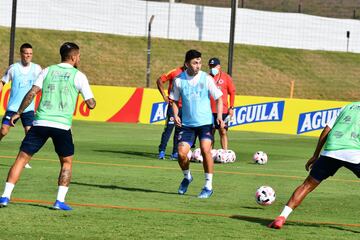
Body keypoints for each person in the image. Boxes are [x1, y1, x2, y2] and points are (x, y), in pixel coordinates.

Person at [0, 42, 96, 210]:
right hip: (62, 125)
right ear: (73, 57)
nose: (79, 58)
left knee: (21, 159)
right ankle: (59, 201)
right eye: (79, 56)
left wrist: (19, 112)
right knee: (66, 162)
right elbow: (91, 104)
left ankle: (5, 197)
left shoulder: (47, 71)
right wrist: (89, 98)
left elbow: (31, 93)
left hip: (41, 122)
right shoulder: (79, 76)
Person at [269, 102, 360, 229]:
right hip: (354, 153)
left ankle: (281, 217)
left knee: (306, 185)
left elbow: (327, 129)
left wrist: (316, 155)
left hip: (331, 150)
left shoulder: (347, 107)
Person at [170, 49, 224, 199]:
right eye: (195, 63)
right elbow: (173, 100)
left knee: (206, 150)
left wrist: (219, 116)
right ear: (187, 64)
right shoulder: (179, 80)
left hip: (205, 123)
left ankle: (208, 186)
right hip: (187, 125)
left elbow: (219, 98)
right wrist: (175, 115)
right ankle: (187, 177)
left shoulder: (206, 79)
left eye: (199, 62)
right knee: (181, 154)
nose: (198, 65)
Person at [0, 43, 42, 169]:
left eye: (30, 53)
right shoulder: (13, 68)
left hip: (28, 108)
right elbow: (3, 82)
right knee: (3, 131)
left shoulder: (37, 68)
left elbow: (42, 84)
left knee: (29, 133)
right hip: (13, 108)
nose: (28, 56)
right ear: (21, 54)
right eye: (26, 53)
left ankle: (24, 159)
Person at [156, 65, 185, 160]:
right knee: (168, 129)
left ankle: (175, 153)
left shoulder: (193, 75)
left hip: (185, 107)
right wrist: (164, 95)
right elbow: (160, 80)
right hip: (173, 106)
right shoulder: (174, 72)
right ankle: (162, 151)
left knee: (179, 130)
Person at [208, 58, 236, 150]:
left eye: (214, 66)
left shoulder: (226, 77)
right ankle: (209, 153)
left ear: (219, 66)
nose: (212, 68)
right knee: (210, 132)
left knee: (223, 131)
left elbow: (232, 92)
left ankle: (225, 152)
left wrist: (231, 107)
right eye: (211, 66)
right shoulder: (207, 77)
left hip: (223, 110)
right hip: (209, 110)